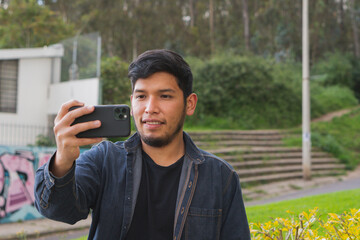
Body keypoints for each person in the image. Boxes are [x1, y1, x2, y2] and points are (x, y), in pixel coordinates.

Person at [34, 49, 251, 240]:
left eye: (165, 96)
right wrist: (63, 160)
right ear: (131, 102)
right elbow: (58, 210)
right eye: (141, 96)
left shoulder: (220, 177)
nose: (150, 108)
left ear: (189, 103)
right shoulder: (105, 160)